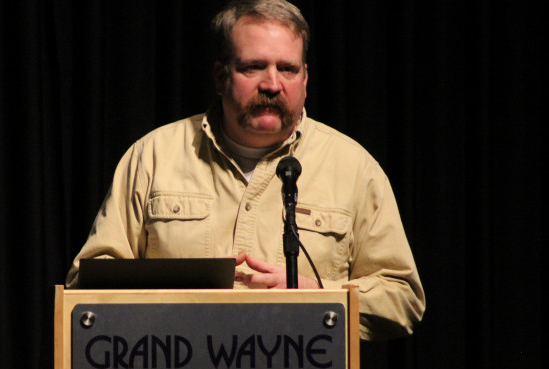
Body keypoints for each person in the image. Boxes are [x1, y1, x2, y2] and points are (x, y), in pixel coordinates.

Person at [65, 0, 425, 340]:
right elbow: (86, 285)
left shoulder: (353, 167)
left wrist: (316, 294)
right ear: (221, 76)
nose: (271, 84)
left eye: (287, 69)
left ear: (305, 79)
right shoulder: (153, 156)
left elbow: (402, 297)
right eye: (253, 67)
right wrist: (177, 301)